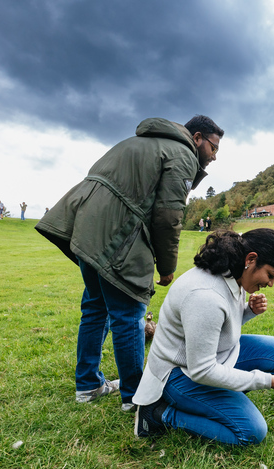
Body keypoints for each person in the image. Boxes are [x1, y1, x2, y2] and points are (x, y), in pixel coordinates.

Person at [35, 115, 223, 412]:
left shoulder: (139, 142)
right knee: (129, 313)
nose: (214, 157)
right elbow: (168, 216)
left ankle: (88, 385)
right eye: (213, 148)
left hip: (85, 228)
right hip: (116, 233)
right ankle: (135, 397)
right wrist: (166, 266)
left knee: (96, 307)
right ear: (197, 138)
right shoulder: (183, 154)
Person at [133, 229, 274, 445]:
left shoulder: (233, 272)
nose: (270, 284)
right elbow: (202, 370)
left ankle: (219, 399)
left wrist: (248, 311)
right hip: (179, 373)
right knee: (252, 431)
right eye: (271, 275)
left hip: (213, 358)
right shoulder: (205, 295)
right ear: (251, 259)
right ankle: (159, 413)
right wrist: (263, 380)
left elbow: (219, 327)